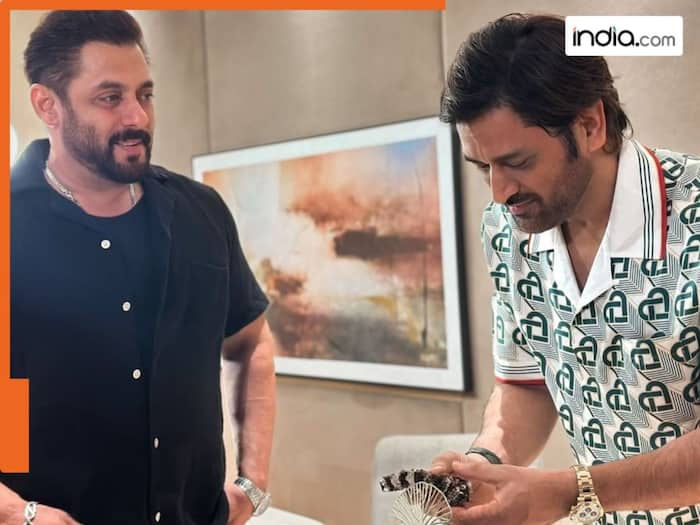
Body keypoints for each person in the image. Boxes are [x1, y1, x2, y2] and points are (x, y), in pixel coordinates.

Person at [2, 11, 276, 525]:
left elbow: (251, 342)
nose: (137, 117)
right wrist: (16, 511)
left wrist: (252, 480)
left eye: (144, 94)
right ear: (47, 105)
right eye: (110, 98)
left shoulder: (201, 212)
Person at [430, 13, 700, 525]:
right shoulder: (507, 231)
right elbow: (526, 384)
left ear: (590, 125)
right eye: (484, 167)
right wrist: (485, 466)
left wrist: (567, 494)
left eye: (518, 162)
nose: (500, 192)